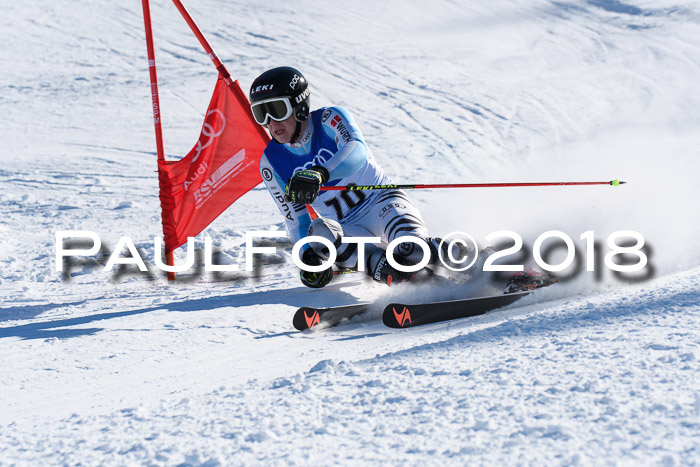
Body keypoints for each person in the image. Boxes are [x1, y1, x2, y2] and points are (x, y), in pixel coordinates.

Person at [249, 66, 447, 288]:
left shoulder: (329, 118)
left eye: (277, 109)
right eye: (261, 113)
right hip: (346, 228)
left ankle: (466, 257)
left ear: (300, 107)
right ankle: (411, 283)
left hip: (382, 203)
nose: (271, 123)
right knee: (319, 233)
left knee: (410, 250)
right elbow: (297, 221)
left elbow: (356, 152)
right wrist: (308, 259)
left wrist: (321, 173)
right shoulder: (271, 162)